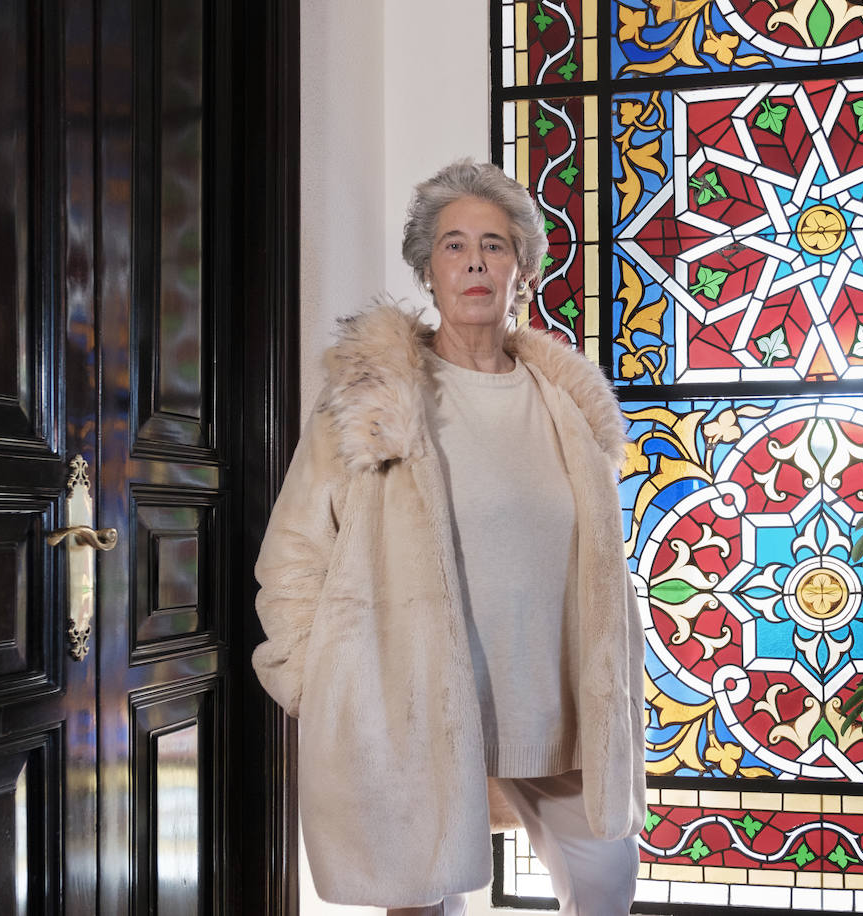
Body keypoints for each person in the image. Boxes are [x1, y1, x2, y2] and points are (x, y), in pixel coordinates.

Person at [252, 160, 646, 914]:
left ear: (521, 269)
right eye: (454, 245)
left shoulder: (565, 404)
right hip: (416, 708)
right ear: (428, 271)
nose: (474, 261)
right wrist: (323, 684)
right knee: (422, 904)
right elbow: (294, 553)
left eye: (494, 245)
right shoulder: (376, 398)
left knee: (605, 888)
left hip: (558, 704)